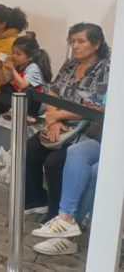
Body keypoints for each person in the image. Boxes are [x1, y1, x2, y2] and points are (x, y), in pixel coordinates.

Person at [25, 23, 110, 219]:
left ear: (96, 44)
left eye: (81, 41)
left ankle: (58, 216)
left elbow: (95, 106)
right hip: (59, 123)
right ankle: (37, 200)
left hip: (86, 130)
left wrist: (58, 116)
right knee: (30, 149)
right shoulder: (70, 64)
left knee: (54, 163)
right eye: (72, 42)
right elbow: (53, 91)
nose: (75, 46)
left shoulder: (105, 69)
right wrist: (53, 120)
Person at [31, 97, 106, 256]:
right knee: (76, 152)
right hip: (107, 139)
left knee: (97, 171)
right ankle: (66, 219)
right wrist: (98, 106)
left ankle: (68, 239)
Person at [0, 32, 52, 117]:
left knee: (28, 90)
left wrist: (12, 69)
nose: (14, 56)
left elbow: (23, 85)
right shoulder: (16, 66)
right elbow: (2, 82)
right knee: (4, 87)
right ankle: (11, 111)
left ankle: (25, 114)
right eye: (13, 53)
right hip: (23, 100)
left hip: (36, 105)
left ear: (30, 57)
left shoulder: (33, 67)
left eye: (18, 54)